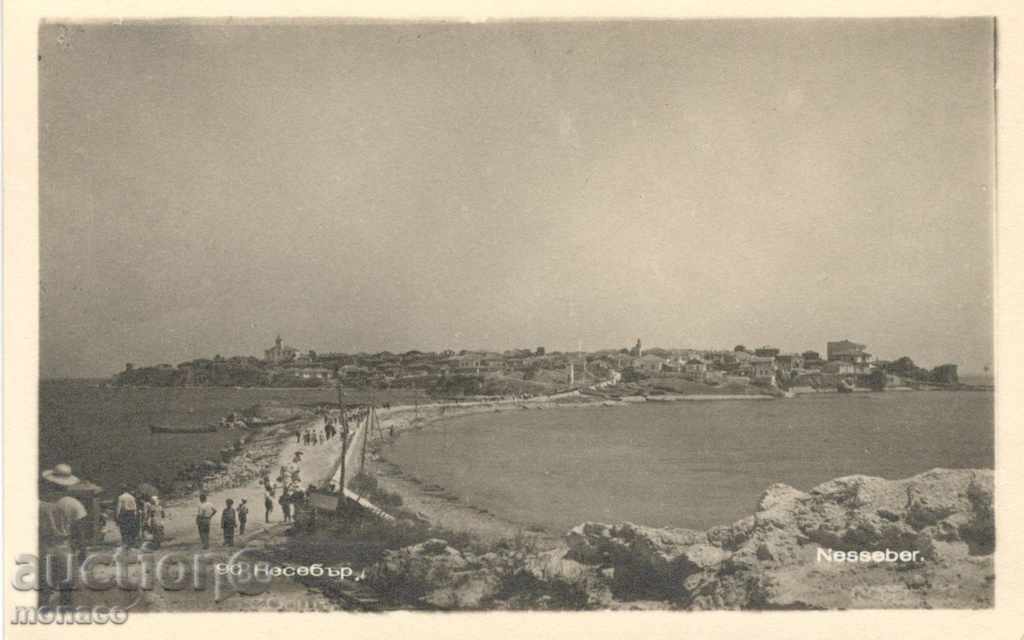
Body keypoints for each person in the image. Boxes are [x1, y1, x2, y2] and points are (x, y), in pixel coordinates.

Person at [39, 464, 90, 607]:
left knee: (43, 590)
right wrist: (83, 550)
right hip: (64, 549)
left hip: (43, 549)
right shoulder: (73, 504)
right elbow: (79, 532)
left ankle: (41, 620)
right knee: (66, 590)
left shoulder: (40, 503)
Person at [115, 484, 139, 548]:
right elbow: (135, 506)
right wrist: (135, 514)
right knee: (131, 527)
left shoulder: (121, 497)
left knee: (124, 528)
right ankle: (131, 542)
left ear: (122, 490)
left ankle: (125, 542)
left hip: (125, 513)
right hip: (132, 513)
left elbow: (119, 507)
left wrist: (117, 515)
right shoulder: (132, 497)